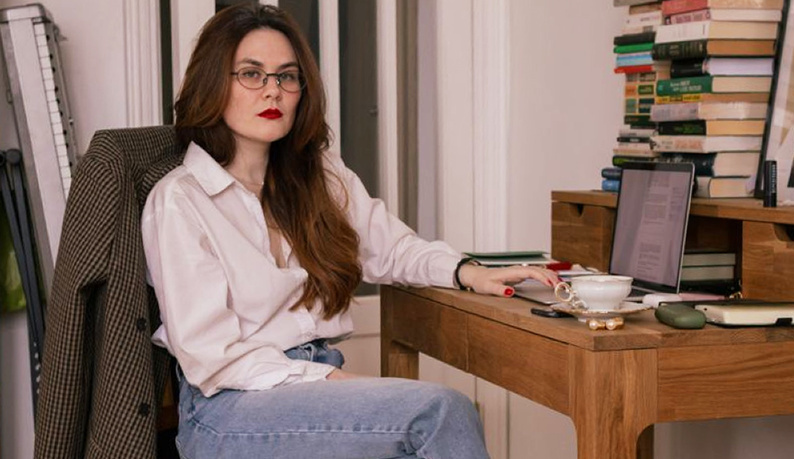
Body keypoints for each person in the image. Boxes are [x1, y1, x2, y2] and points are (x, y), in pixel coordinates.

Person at [141, 3, 559, 458]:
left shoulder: (319, 175)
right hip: (229, 408)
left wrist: (468, 272)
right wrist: (331, 380)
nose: (273, 91)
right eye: (251, 74)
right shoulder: (180, 200)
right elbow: (212, 358)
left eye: (287, 76)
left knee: (426, 424)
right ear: (213, 83)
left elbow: (391, 248)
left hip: (312, 381)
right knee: (439, 413)